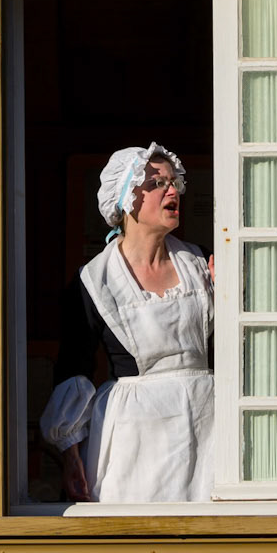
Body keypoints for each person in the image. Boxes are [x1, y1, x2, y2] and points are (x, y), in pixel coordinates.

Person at [38, 143, 214, 504]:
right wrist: (71, 456)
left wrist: (230, 299)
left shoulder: (198, 263)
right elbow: (75, 368)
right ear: (125, 198)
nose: (172, 190)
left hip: (206, 421)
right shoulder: (95, 280)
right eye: (156, 183)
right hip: (137, 436)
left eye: (173, 182)